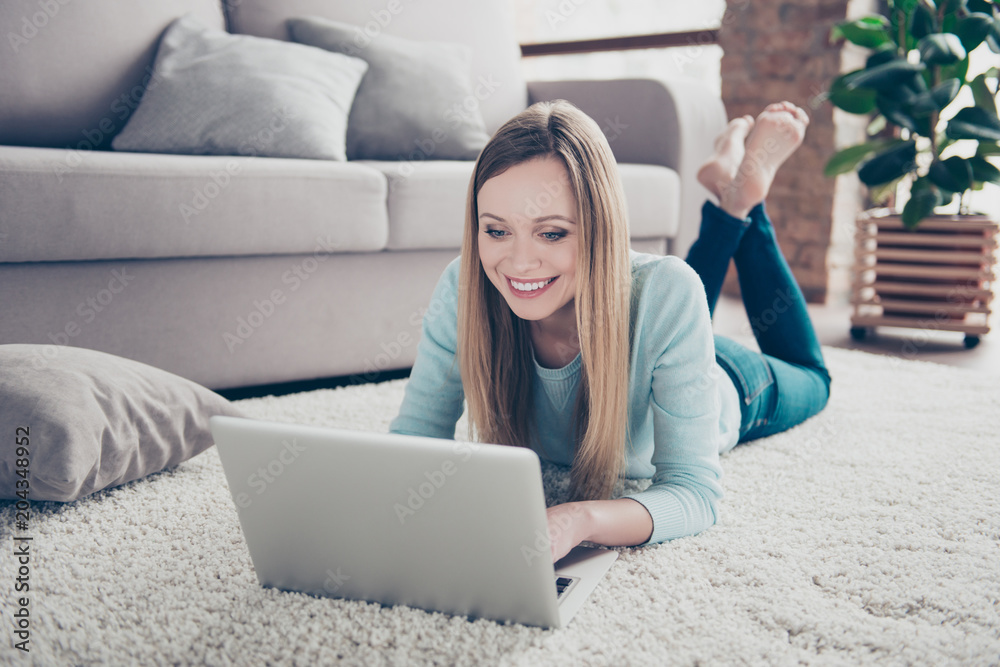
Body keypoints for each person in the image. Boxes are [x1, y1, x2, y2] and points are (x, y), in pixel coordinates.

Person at [389, 99, 831, 563]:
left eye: (552, 233)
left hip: (730, 382)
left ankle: (743, 202)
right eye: (496, 231)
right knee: (665, 293)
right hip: (660, 327)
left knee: (812, 376)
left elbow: (695, 494)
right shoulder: (464, 287)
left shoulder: (668, 296)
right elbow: (412, 446)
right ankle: (730, 196)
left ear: (600, 226)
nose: (519, 263)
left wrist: (581, 519)